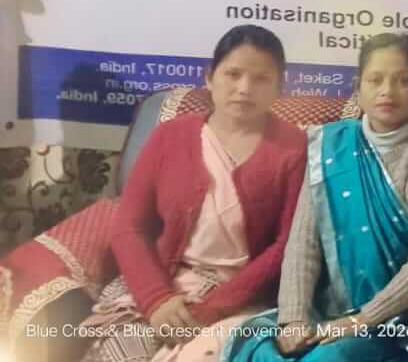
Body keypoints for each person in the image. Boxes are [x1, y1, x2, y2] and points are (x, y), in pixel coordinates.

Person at [225, 33, 408, 361]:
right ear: (358, 86)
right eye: (375, 79)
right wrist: (293, 319)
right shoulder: (329, 144)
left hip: (397, 318)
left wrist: (360, 320)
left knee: (329, 358)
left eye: (402, 81)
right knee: (256, 346)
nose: (387, 91)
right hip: (325, 309)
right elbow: (303, 243)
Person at [81, 25, 307, 362]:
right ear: (209, 78)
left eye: (261, 79)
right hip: (163, 283)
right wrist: (156, 299)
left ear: (279, 88)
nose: (244, 88)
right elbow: (129, 227)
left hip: (244, 299)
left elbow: (287, 246)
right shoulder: (170, 137)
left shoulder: (294, 148)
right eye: (233, 74)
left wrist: (210, 310)